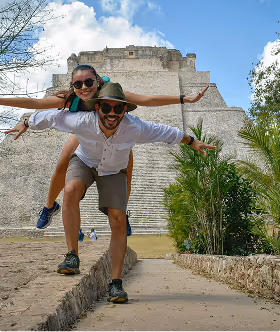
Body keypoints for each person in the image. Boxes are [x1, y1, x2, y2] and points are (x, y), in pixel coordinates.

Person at [11, 81, 216, 303]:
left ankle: (116, 283)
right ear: (97, 108)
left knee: (118, 219)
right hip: (85, 161)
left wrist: (192, 141)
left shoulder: (134, 127)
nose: (111, 113)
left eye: (118, 108)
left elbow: (166, 131)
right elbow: (51, 117)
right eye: (106, 108)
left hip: (113, 170)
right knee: (70, 190)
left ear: (125, 110)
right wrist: (26, 122)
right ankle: (72, 256)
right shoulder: (82, 120)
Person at [3, 64, 209, 233]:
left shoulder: (111, 95)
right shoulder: (70, 99)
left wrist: (184, 99)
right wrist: (23, 118)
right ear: (73, 86)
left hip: (116, 132)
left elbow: (147, 100)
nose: (84, 87)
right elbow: (36, 104)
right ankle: (49, 207)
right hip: (84, 130)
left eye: (89, 82)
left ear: (98, 81)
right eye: (78, 84)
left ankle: (122, 211)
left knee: (126, 168)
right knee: (63, 160)